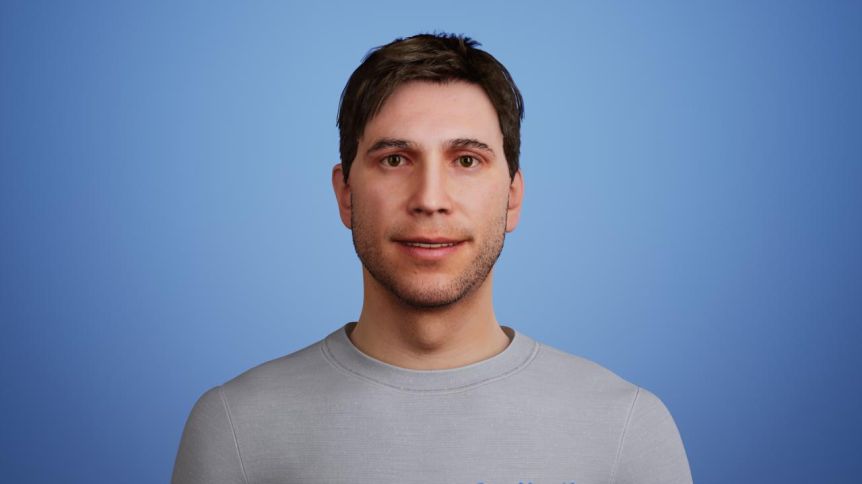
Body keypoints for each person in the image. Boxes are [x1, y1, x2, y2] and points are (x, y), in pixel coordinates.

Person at [171, 33, 692, 484]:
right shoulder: (237, 428)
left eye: (466, 160)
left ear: (512, 198)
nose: (430, 199)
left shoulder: (626, 431)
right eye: (395, 159)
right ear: (345, 195)